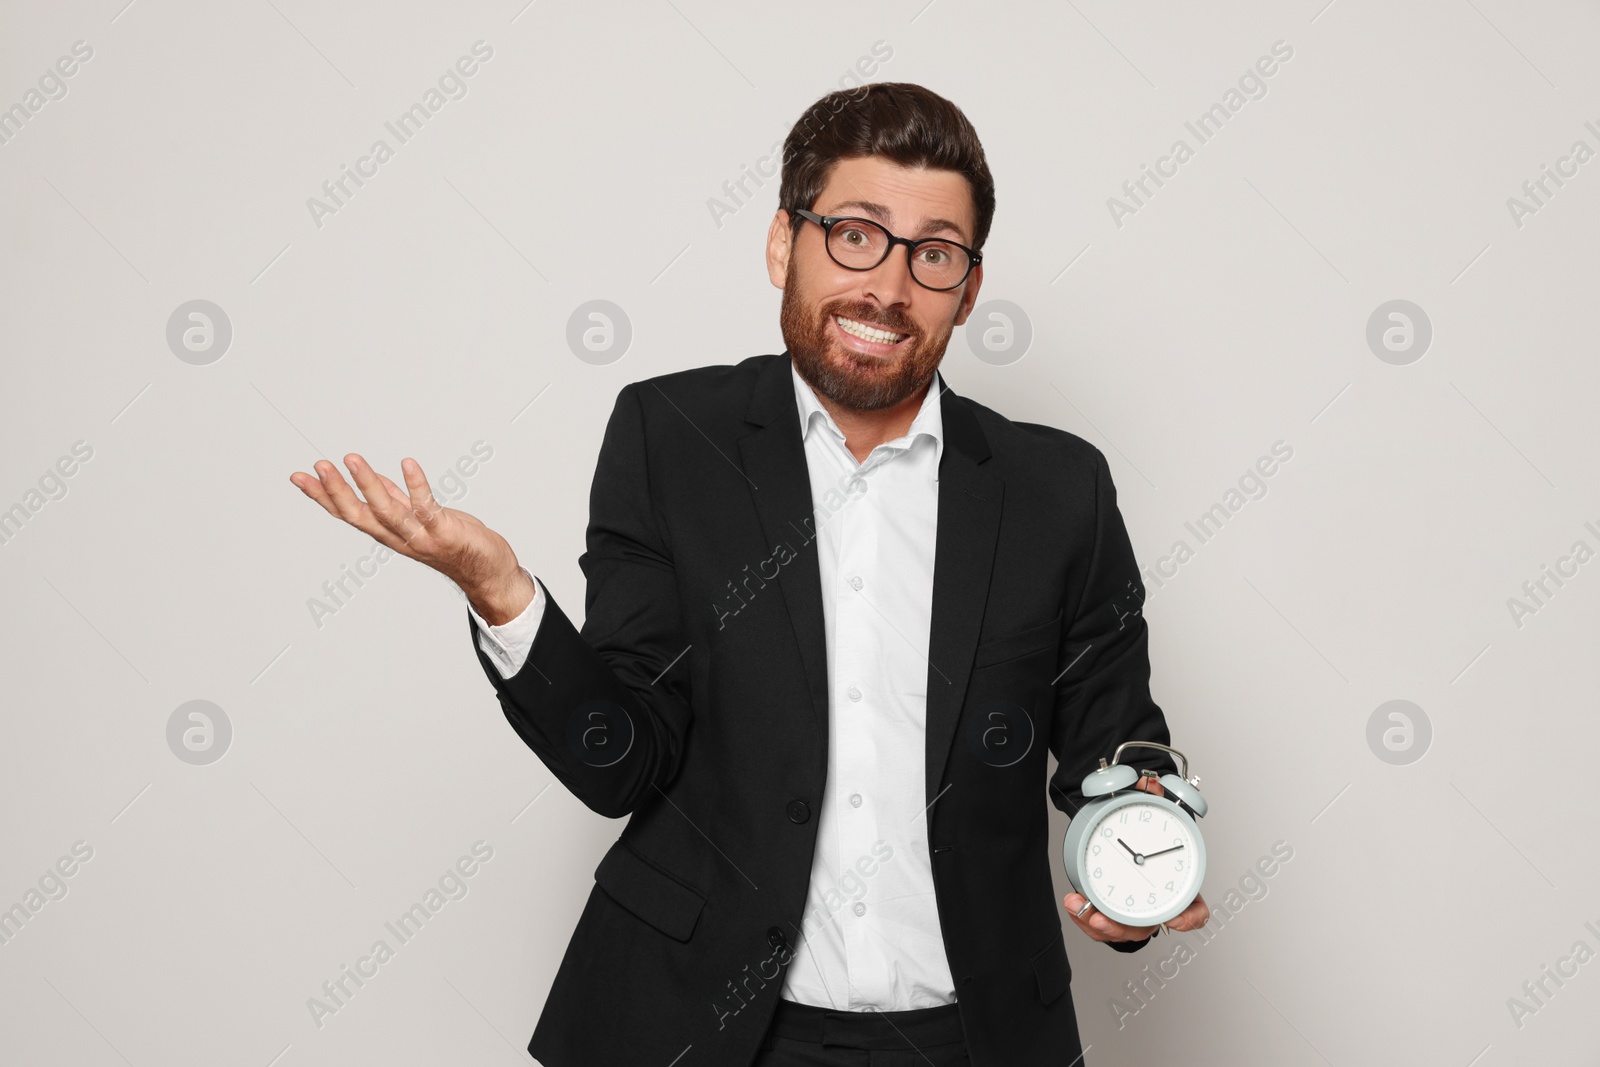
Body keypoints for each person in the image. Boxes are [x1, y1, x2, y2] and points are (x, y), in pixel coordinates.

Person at [290, 81, 1208, 1067]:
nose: (888, 288)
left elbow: (1113, 740)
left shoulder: (1056, 487)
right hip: (700, 1027)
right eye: (855, 234)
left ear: (968, 287)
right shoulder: (670, 439)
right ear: (784, 243)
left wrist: (1135, 863)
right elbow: (622, 761)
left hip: (973, 1034)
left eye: (934, 254)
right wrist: (501, 591)